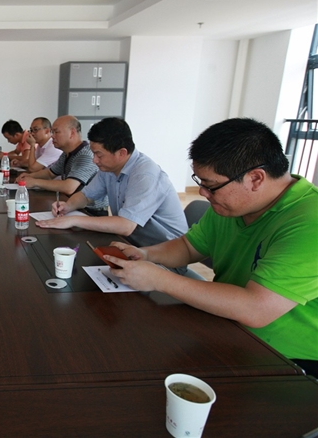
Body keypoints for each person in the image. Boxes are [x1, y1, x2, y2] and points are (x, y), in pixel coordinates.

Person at [104, 118, 318, 377]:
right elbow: (188, 247)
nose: (203, 193)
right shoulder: (231, 205)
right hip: (226, 325)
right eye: (200, 182)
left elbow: (256, 308)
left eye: (211, 185)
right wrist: (146, 254)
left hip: (286, 358)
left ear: (255, 178)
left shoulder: (309, 222)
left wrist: (160, 279)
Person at [37, 118, 188, 248]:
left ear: (122, 153)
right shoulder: (109, 168)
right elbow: (86, 195)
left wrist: (73, 220)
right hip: (131, 244)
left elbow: (126, 225)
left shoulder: (145, 175)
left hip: (164, 253)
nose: (94, 160)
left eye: (99, 155)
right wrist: (67, 206)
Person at [15, 115, 108, 215]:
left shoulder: (85, 155)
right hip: (72, 206)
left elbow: (69, 187)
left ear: (72, 133)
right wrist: (29, 176)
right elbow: (50, 173)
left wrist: (35, 182)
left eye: (56, 132)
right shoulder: (67, 153)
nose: (52, 136)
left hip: (91, 212)